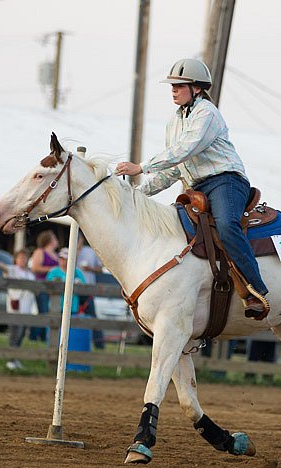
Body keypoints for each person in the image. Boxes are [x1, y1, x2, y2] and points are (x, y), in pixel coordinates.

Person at [115, 58, 269, 319]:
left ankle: (257, 289)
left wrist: (140, 167)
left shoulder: (207, 113)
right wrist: (137, 194)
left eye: (179, 85)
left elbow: (183, 150)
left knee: (227, 226)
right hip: (197, 187)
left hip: (225, 181)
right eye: (172, 86)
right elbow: (175, 168)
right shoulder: (173, 123)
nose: (173, 90)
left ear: (196, 88)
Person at [0, 250, 37, 369]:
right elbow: (4, 268)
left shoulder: (29, 274)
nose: (23, 260)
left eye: (24, 258)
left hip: (26, 308)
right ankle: (10, 359)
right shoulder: (13, 270)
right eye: (20, 258)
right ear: (16, 259)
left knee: (21, 335)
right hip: (15, 308)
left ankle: (15, 358)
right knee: (15, 334)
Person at [29, 230, 60, 342]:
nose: (56, 240)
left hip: (53, 289)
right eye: (54, 238)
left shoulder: (56, 255)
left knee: (50, 311)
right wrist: (52, 269)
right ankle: (35, 337)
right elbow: (35, 268)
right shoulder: (40, 252)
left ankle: (45, 337)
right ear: (50, 240)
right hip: (42, 286)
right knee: (42, 311)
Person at [76, 232, 105, 350]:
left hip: (88, 289)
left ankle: (99, 343)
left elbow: (101, 268)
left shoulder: (90, 251)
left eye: (79, 239)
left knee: (92, 316)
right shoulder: (70, 250)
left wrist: (90, 268)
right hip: (74, 290)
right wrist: (76, 250)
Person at [46, 248, 86, 315]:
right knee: (54, 323)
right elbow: (47, 287)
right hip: (56, 306)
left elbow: (84, 288)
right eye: (61, 258)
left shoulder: (78, 272)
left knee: (72, 323)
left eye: (65, 259)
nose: (62, 261)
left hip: (72, 306)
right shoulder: (53, 271)